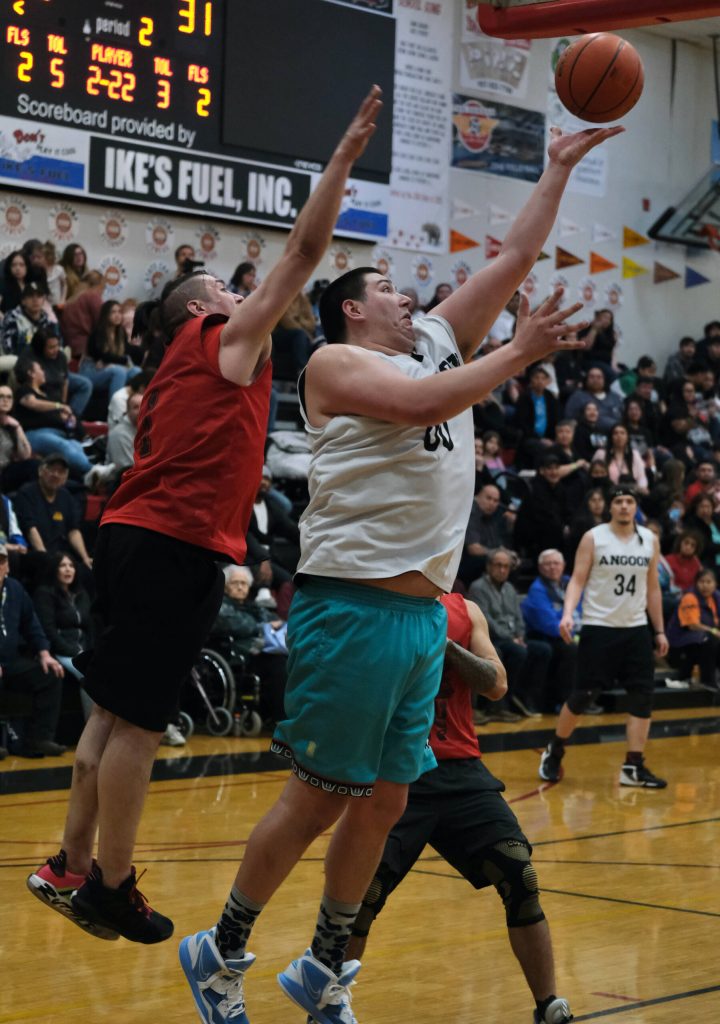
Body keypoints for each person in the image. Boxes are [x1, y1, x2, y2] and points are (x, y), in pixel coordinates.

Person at [179, 115, 622, 1024]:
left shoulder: (436, 342)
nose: (405, 296)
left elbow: (510, 263)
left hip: (423, 619)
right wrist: (519, 353)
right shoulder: (334, 365)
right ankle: (219, 950)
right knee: (315, 801)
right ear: (351, 306)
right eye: (386, 287)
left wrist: (559, 169)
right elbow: (429, 401)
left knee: (382, 803)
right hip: (352, 609)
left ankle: (323, 964)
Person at [26, 86, 395, 948]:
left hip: (128, 533)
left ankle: (71, 865)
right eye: (230, 295)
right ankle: (114, 886)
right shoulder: (222, 342)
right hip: (171, 544)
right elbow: (304, 252)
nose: (248, 302)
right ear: (204, 310)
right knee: (143, 728)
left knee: (110, 716)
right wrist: (340, 161)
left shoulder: (165, 374)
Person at [345, 591, 573, 1024]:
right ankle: (326, 1004)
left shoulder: (465, 609)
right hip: (395, 769)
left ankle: (548, 1006)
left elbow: (497, 683)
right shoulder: (377, 603)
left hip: (461, 772)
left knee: (518, 873)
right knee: (361, 893)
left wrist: (446, 645)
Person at [538, 486, 668, 788]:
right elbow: (577, 580)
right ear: (610, 507)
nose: (624, 506)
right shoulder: (594, 537)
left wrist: (659, 629)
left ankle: (633, 766)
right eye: (618, 501)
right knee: (583, 695)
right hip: (599, 627)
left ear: (636, 506)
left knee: (642, 697)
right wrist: (568, 614)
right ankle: (555, 749)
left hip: (635, 629)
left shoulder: (650, 540)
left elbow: (653, 589)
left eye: (629, 501)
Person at [0, 543, 66, 757]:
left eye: (1, 561)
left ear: (7, 566)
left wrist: (44, 652)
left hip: (10, 661)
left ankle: (39, 739)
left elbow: (32, 625)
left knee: (51, 674)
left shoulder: (15, 589)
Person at [470, 548, 550, 718]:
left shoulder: (510, 589)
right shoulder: (478, 587)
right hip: (492, 640)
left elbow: (519, 618)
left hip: (513, 638)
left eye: (506, 566)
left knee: (543, 650)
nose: (502, 570)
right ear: (489, 566)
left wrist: (520, 635)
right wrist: (511, 638)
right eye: (498, 565)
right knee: (517, 651)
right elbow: (486, 621)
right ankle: (500, 704)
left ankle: (523, 696)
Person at [521, 549, 590, 714]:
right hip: (547, 636)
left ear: (563, 565)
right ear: (540, 567)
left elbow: (583, 609)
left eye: (556, 563)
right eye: (548, 564)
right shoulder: (537, 589)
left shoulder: (569, 583)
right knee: (571, 649)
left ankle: (587, 698)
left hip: (571, 632)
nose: (552, 567)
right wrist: (571, 628)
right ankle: (567, 702)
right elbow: (548, 623)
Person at [33, 552, 95, 720]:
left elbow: (90, 628)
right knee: (89, 675)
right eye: (63, 566)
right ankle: (94, 728)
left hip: (82, 649)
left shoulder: (81, 594)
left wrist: (89, 651)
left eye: (71, 566)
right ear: (54, 569)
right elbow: (49, 632)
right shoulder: (44, 594)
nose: (68, 570)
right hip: (61, 651)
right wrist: (75, 652)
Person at [666, 568, 720, 690]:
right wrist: (714, 631)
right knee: (709, 639)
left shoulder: (716, 597)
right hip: (680, 642)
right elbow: (693, 625)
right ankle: (708, 682)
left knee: (711, 639)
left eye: (708, 582)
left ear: (715, 584)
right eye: (701, 582)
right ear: (696, 583)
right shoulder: (690, 597)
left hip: (699, 640)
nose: (705, 586)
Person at [81, 300, 142, 398]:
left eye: (119, 312)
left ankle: (138, 405)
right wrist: (124, 360)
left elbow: (127, 351)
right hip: (92, 371)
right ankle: (116, 408)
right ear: (106, 315)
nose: (117, 315)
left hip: (112, 368)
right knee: (119, 371)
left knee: (137, 371)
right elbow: (102, 356)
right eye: (113, 312)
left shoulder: (121, 333)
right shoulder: (97, 333)